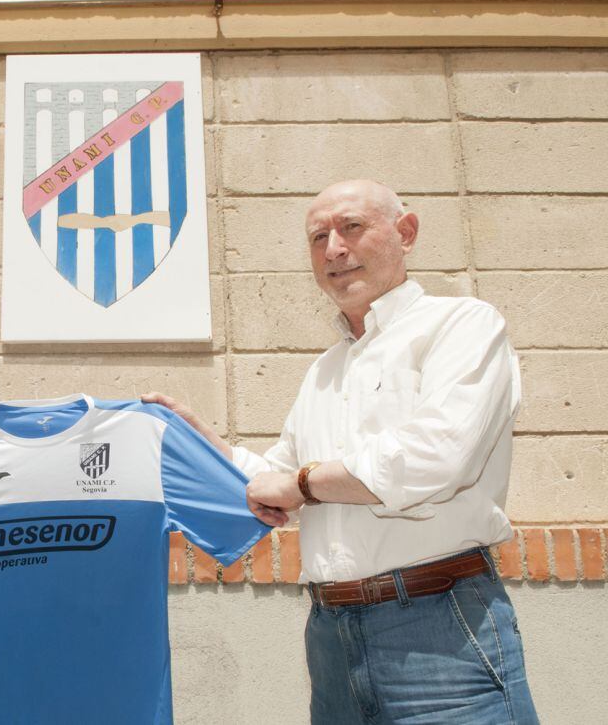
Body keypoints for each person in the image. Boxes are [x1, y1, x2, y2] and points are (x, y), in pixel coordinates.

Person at [146, 179, 538, 724]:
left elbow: (437, 457)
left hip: (440, 625)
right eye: (317, 237)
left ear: (406, 232)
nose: (333, 249)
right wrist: (204, 440)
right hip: (331, 634)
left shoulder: (462, 324)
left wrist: (302, 484)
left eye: (351, 227)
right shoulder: (325, 371)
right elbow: (276, 479)